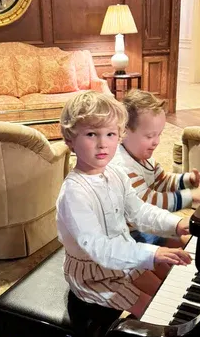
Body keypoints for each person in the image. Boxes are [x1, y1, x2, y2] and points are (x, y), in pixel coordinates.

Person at [56, 91, 192, 318]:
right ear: (70, 140)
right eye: (91, 134)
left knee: (166, 291)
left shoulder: (116, 174)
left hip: (124, 256)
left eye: (110, 134)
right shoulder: (74, 193)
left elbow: (139, 211)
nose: (102, 144)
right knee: (153, 310)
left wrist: (177, 224)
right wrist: (152, 253)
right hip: (93, 275)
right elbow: (99, 248)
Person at [111, 89, 200, 246]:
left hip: (143, 227)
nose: (156, 142)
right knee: (173, 253)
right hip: (125, 236)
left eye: (159, 134)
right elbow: (148, 203)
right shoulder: (122, 166)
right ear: (123, 131)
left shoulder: (143, 157)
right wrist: (190, 196)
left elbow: (163, 180)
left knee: (188, 242)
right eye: (150, 136)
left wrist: (190, 179)